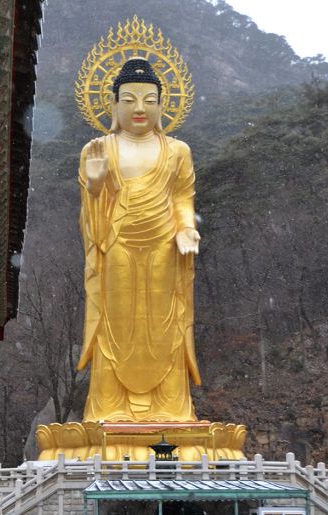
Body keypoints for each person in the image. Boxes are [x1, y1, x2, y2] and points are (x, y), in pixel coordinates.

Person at [78, 57, 201, 423]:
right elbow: (91, 204)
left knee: (165, 321)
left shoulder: (178, 151)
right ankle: (109, 408)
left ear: (162, 106)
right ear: (113, 105)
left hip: (164, 243)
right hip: (117, 240)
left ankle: (171, 408)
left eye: (149, 100)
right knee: (116, 323)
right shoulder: (98, 149)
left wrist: (186, 228)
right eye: (129, 99)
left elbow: (182, 198)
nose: (139, 108)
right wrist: (96, 182)